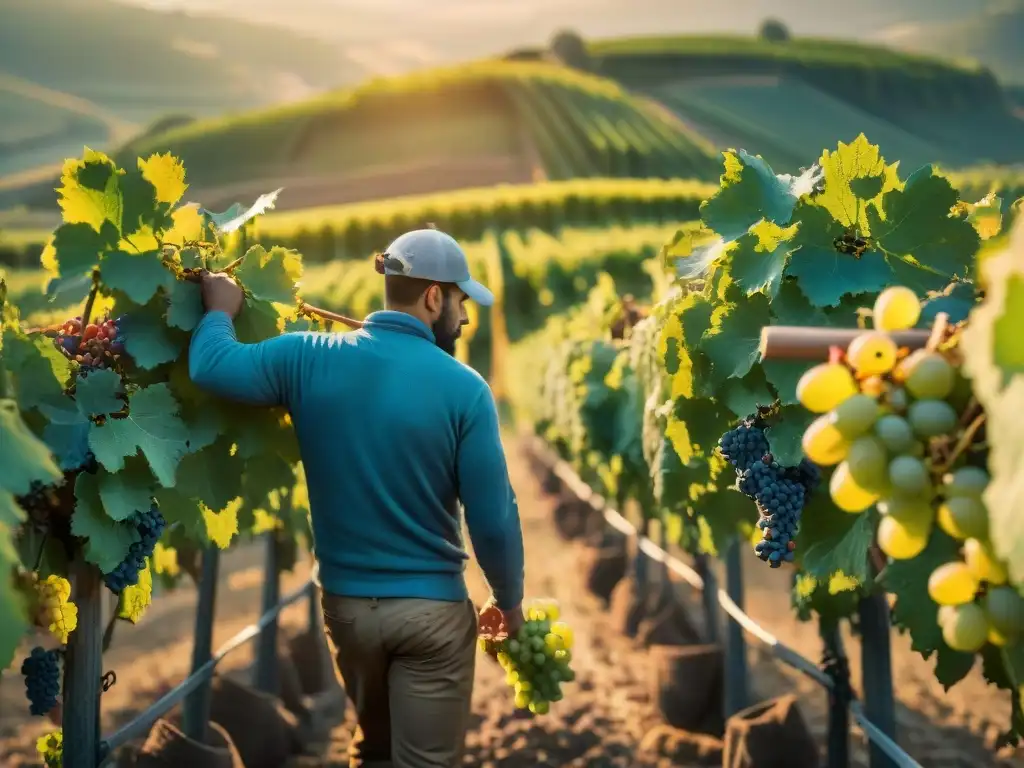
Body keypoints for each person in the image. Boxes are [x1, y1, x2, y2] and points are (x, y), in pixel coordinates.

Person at [188, 228, 526, 768]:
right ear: (434, 297)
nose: (464, 318)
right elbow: (493, 519)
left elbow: (211, 365)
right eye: (461, 302)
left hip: (346, 613)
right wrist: (508, 598)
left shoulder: (307, 357)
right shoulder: (465, 388)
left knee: (374, 749)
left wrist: (219, 309)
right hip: (431, 617)